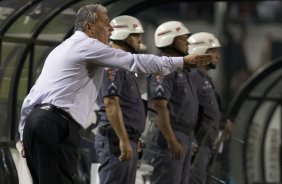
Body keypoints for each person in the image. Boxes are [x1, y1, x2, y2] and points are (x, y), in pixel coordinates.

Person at [18, 4, 213, 184]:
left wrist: (22, 132)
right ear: (89, 28)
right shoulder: (88, 46)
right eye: (105, 23)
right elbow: (135, 62)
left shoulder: (61, 49)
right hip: (55, 124)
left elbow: (32, 96)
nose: (111, 29)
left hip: (37, 122)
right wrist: (182, 62)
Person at [94, 15, 147, 184]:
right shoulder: (113, 63)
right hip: (116, 140)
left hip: (125, 139)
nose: (140, 40)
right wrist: (124, 139)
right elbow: (111, 103)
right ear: (123, 35)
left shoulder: (124, 64)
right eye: (135, 35)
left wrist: (133, 138)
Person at [145, 21, 198, 184]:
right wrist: (171, 140)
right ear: (168, 40)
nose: (187, 42)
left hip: (183, 136)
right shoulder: (163, 68)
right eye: (183, 39)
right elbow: (159, 107)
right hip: (170, 134)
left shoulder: (181, 69)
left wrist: (189, 138)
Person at [187, 32, 235, 184]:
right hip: (197, 146)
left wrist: (221, 124)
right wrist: (191, 141)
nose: (218, 56)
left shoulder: (203, 79)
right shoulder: (194, 77)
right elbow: (187, 110)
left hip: (206, 145)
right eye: (213, 51)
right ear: (201, 52)